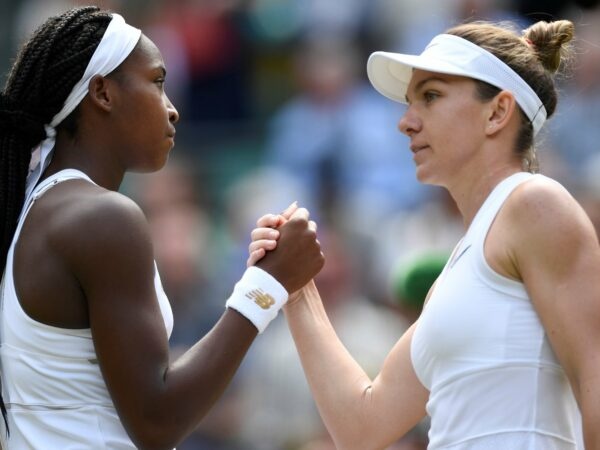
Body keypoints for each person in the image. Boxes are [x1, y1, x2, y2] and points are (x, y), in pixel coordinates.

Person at [249, 19, 600, 450]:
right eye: (410, 102)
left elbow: (595, 375)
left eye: (430, 96)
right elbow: (362, 427)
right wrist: (298, 289)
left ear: (497, 112)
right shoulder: (460, 270)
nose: (406, 122)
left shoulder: (535, 202)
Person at [0, 6, 324, 449]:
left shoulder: (39, 209)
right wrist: (266, 287)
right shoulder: (104, 218)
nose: (172, 110)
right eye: (156, 82)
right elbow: (157, 421)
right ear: (102, 93)